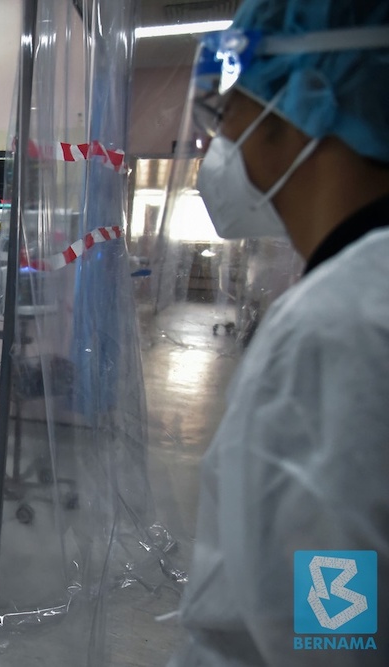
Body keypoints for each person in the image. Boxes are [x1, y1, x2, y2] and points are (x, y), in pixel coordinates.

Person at [171, 2, 389, 665]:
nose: (223, 132)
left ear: (309, 98)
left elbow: (334, 634)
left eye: (237, 101)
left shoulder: (335, 330)